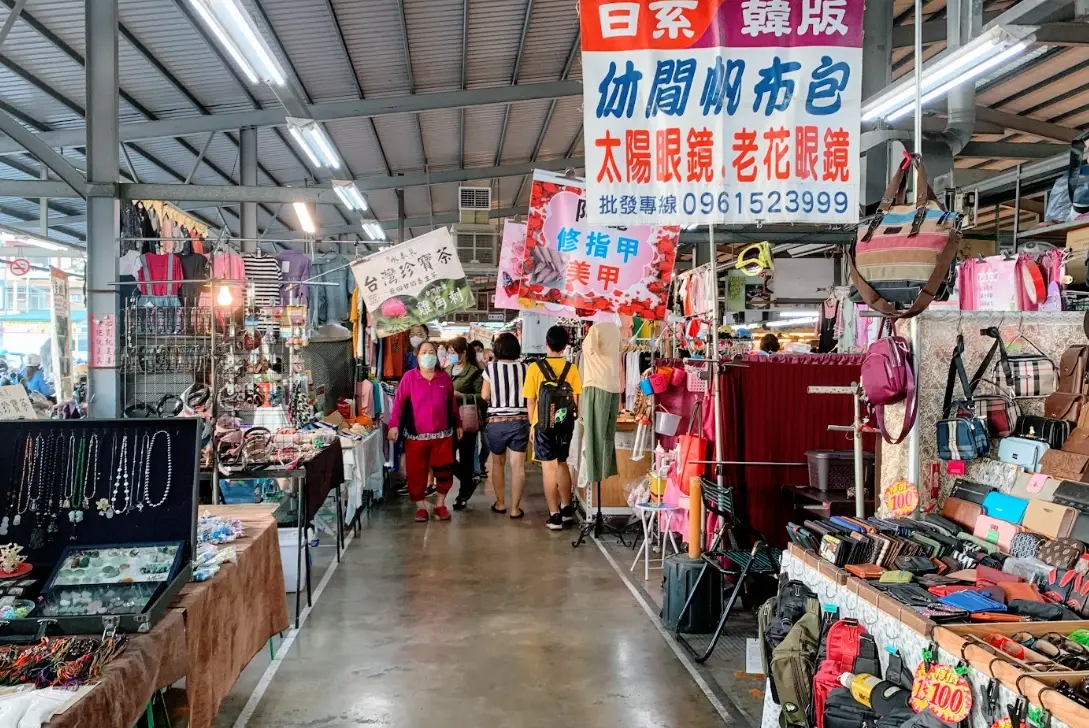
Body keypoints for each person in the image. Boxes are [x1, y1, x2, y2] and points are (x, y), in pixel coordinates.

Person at [387, 342, 462, 523]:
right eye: (424, 352)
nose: (428, 355)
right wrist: (393, 425)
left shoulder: (444, 378)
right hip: (416, 437)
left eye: (431, 352)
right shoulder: (409, 378)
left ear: (437, 356)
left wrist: (458, 424)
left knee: (444, 472)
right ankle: (420, 507)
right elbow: (398, 404)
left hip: (443, 437)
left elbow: (452, 405)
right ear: (417, 355)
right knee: (416, 473)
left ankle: (440, 504)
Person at [523, 326, 582, 531]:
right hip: (565, 424)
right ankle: (566, 508)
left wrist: (533, 424)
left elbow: (531, 401)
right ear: (565, 346)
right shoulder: (572, 369)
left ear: (546, 343)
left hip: (543, 425)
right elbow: (575, 400)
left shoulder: (534, 369)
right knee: (563, 463)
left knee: (549, 468)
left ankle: (554, 515)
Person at [481, 333, 529, 518]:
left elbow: (485, 396)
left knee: (498, 464)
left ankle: (500, 503)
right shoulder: (526, 368)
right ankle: (515, 509)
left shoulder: (490, 369)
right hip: (519, 422)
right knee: (517, 467)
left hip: (496, 423)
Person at [447, 337, 485, 510]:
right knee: (446, 456)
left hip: (466, 420)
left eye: (454, 351)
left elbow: (482, 398)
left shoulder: (474, 373)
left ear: (463, 353)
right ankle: (468, 482)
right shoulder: (446, 369)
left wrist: (463, 396)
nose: (451, 355)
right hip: (447, 419)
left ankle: (463, 494)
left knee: (467, 457)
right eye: (449, 351)